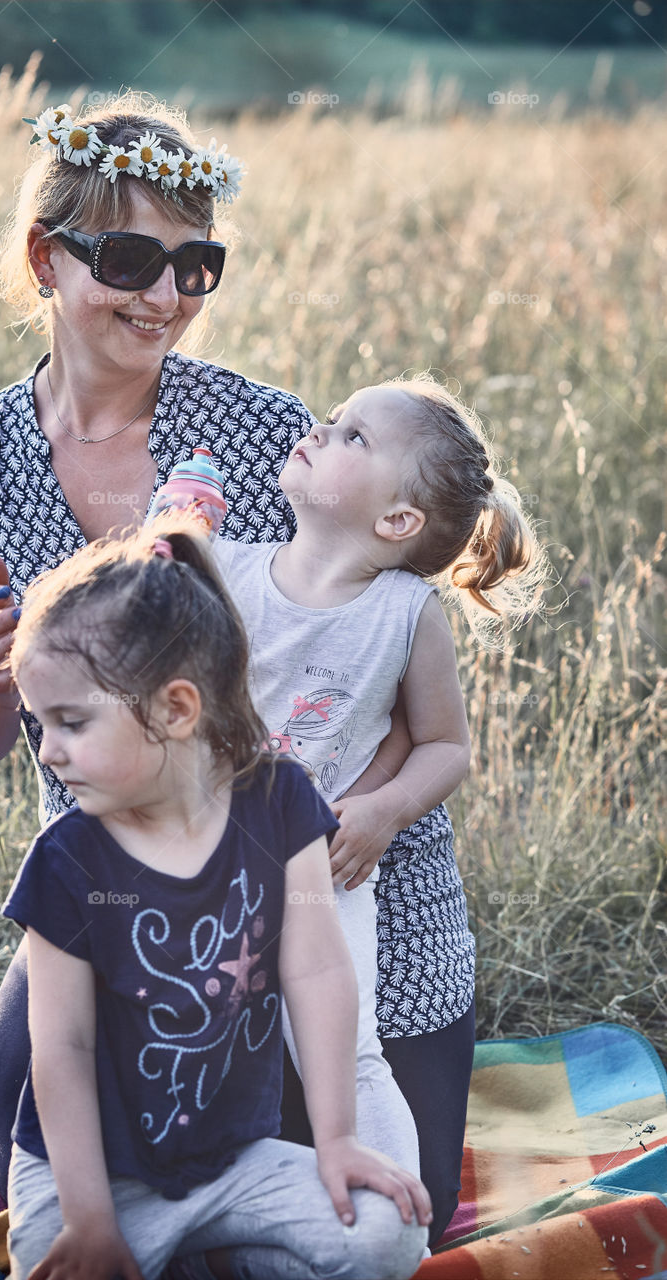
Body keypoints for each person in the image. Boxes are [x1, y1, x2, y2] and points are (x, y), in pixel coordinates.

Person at [0, 91, 422, 1207]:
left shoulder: (256, 427)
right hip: (103, 870)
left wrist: (374, 810)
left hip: (288, 856)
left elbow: (378, 647)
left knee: (353, 1186)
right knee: (50, 1125)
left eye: (196, 266)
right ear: (48, 258)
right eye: (133, 257)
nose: (166, 297)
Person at [0, 521, 431, 1280]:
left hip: (233, 1161)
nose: (47, 751)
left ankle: (213, 1250)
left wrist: (335, 1141)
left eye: (70, 723)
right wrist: (92, 1220)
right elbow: (59, 1049)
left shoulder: (279, 803)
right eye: (40, 724)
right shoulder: (65, 862)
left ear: (175, 709)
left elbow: (318, 974)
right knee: (49, 1259)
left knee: (384, 1234)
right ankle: (176, 1253)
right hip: (100, 1177)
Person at [213, 374, 547, 1246]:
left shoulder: (404, 615)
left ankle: (389, 1221)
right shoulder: (226, 569)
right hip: (210, 866)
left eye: (353, 436)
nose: (320, 430)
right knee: (202, 1027)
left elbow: (446, 746)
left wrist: (383, 812)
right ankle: (196, 1208)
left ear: (396, 522)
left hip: (327, 867)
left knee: (348, 1043)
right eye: (334, 420)